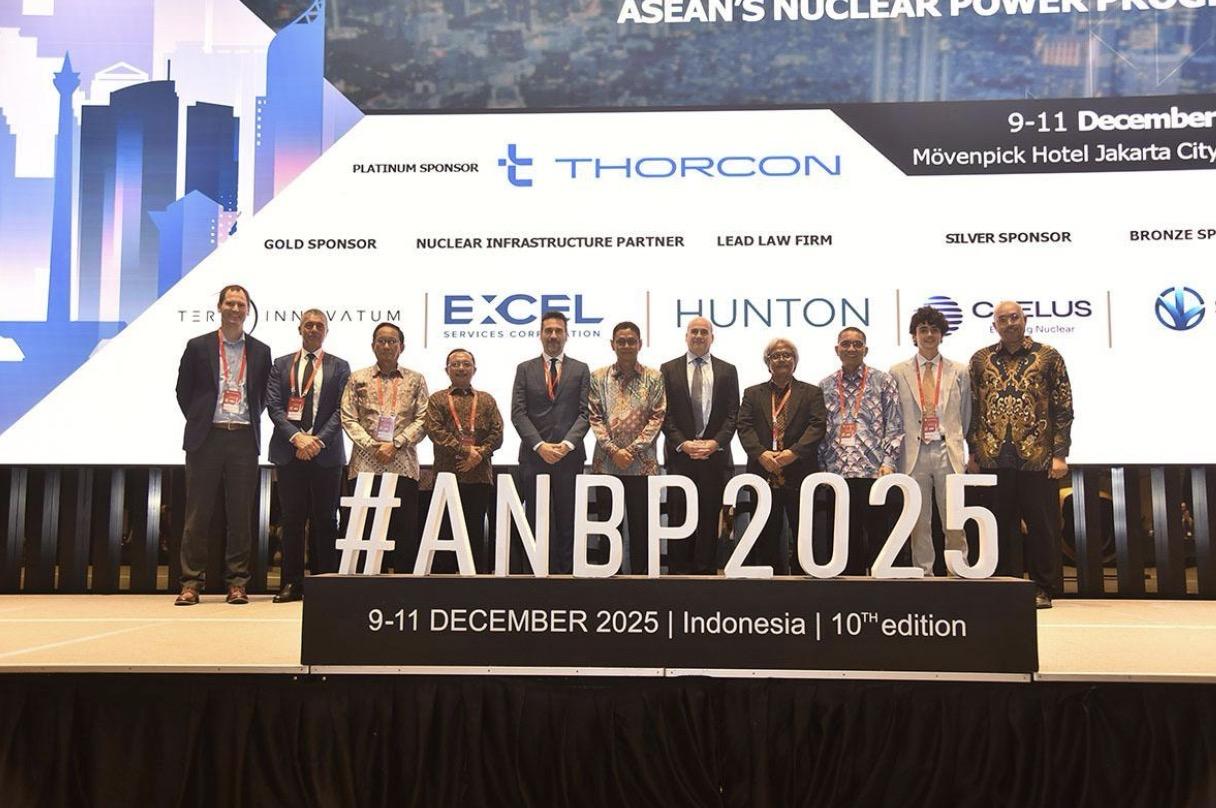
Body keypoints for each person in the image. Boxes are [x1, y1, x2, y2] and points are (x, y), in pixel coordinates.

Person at [968, 301, 1073, 609]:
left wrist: (1060, 453)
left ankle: (1042, 588)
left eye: (1015, 317)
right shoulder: (980, 360)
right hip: (992, 457)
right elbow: (972, 409)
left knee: (1042, 526)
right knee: (998, 526)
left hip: (1037, 457)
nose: (1010, 323)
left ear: (1025, 320)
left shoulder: (1048, 356)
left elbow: (1064, 407)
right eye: (1003, 319)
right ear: (995, 325)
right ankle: (1005, 585)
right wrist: (973, 451)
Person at [173, 284, 271, 605]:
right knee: (198, 513)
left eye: (241, 304)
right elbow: (184, 391)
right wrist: (201, 419)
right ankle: (191, 583)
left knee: (240, 515)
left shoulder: (261, 351)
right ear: (219, 306)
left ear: (248, 310)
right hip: (207, 438)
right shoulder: (198, 346)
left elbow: (262, 397)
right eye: (230, 303)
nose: (235, 309)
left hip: (243, 438)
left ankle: (237, 583)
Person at [265, 309, 351, 602]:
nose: (314, 329)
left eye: (319, 326)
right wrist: (297, 437)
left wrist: (317, 441)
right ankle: (291, 583)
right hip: (289, 452)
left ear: (326, 331)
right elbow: (274, 406)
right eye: (309, 325)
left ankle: (324, 583)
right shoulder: (280, 364)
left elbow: (342, 409)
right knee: (291, 520)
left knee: (326, 519)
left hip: (325, 453)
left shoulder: (340, 366)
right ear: (300, 329)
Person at [340, 322, 429, 572]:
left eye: (392, 341)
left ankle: (402, 587)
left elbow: (424, 419)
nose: (387, 346)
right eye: (381, 341)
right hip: (365, 465)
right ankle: (365, 588)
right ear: (373, 345)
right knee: (365, 531)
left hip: (403, 465)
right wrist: (373, 446)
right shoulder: (357, 378)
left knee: (403, 532)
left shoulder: (416, 379)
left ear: (402, 346)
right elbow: (348, 417)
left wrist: (396, 444)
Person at [890, 306, 971, 576]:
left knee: (954, 517)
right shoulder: (898, 372)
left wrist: (956, 441)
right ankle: (923, 573)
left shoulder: (959, 371)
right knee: (919, 520)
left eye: (934, 330)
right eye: (922, 329)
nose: (928, 335)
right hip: (914, 452)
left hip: (947, 450)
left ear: (942, 335)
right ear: (914, 335)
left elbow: (966, 414)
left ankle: (958, 570)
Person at [510, 311, 591, 574]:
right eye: (548, 331)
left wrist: (567, 445)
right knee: (537, 520)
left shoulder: (581, 369)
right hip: (534, 458)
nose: (553, 335)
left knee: (569, 521)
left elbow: (585, 414)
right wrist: (540, 445)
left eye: (558, 331)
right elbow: (518, 413)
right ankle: (537, 577)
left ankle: (567, 578)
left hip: (570, 458)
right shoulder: (524, 369)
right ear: (540, 335)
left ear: (567, 335)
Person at [818, 327, 904, 576]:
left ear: (866, 349)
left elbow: (895, 425)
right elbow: (819, 431)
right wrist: (823, 469)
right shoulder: (824, 386)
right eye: (846, 344)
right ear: (837, 349)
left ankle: (880, 593)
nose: (851, 348)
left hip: (874, 473)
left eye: (857, 344)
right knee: (844, 542)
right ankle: (849, 593)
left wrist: (888, 461)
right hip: (838, 474)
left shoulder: (883, 381)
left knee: (878, 539)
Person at [737, 338, 826, 574]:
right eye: (776, 356)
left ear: (795, 361)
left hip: (800, 473)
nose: (782, 359)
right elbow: (744, 426)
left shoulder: (812, 393)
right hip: (763, 473)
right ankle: (770, 584)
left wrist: (794, 453)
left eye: (787, 355)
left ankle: (802, 582)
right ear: (767, 362)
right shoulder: (752, 393)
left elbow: (817, 426)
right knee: (766, 535)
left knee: (803, 533)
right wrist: (760, 454)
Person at [660, 317, 739, 575]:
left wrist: (715, 443)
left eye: (704, 332)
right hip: (681, 459)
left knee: (709, 519)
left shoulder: (728, 370)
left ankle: (706, 577)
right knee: (679, 517)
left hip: (714, 459)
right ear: (686, 336)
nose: (698, 335)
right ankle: (678, 574)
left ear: (712, 338)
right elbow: (664, 415)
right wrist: (683, 444)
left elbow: (732, 415)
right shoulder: (668, 369)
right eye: (693, 331)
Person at [588, 321, 666, 575]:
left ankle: (642, 583)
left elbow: (657, 417)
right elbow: (594, 417)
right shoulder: (598, 377)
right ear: (612, 345)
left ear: (640, 344)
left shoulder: (654, 377)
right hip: (606, 465)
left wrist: (631, 451)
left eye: (631, 341)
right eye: (620, 341)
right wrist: (613, 450)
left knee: (643, 528)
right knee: (608, 528)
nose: (626, 345)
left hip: (642, 466)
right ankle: (609, 582)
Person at [424, 348, 504, 573]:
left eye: (466, 364)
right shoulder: (437, 399)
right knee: (445, 532)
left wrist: (479, 454)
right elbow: (435, 431)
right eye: (455, 364)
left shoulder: (487, 399)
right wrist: (465, 451)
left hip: (479, 477)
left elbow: (497, 433)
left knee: (475, 531)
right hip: (446, 476)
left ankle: (475, 582)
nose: (461, 368)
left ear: (474, 369)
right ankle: (446, 581)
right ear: (447, 369)